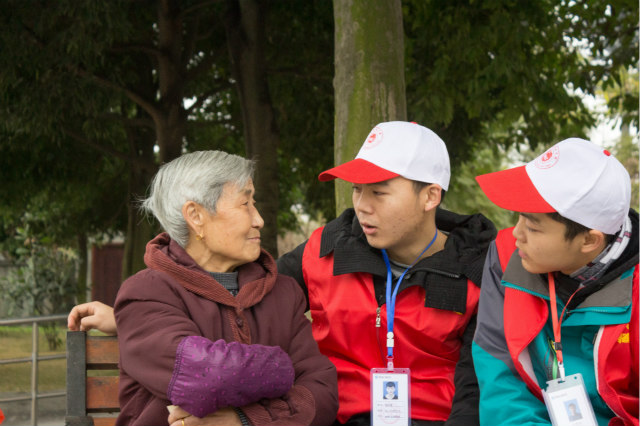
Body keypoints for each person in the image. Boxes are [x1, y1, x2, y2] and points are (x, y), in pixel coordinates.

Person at [69, 121, 497, 425]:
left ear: (431, 196)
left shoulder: (481, 270)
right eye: (357, 190)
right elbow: (241, 300)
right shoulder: (326, 249)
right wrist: (126, 316)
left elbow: (475, 391)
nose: (362, 205)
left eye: (380, 193)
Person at [74, 150, 338, 426]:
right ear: (196, 215)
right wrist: (280, 366)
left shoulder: (283, 292)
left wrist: (245, 421)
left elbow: (323, 394)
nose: (258, 219)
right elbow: (204, 377)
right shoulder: (144, 293)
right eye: (245, 203)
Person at [472, 138, 638, 426]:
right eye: (519, 217)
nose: (516, 234)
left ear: (589, 240)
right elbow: (497, 369)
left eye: (534, 226)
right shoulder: (505, 256)